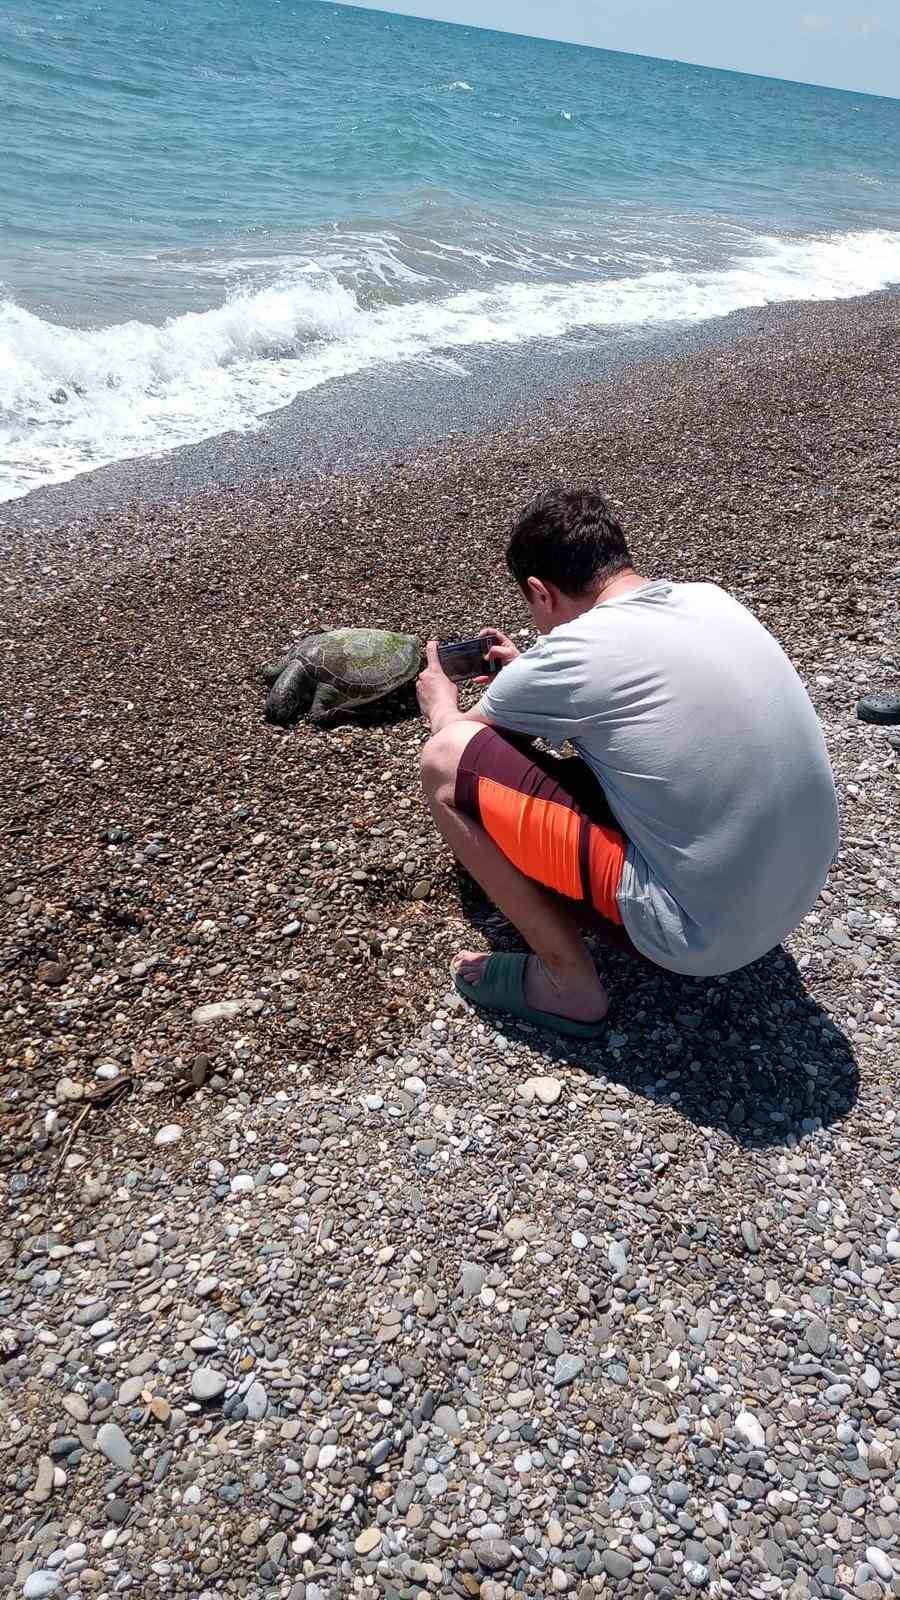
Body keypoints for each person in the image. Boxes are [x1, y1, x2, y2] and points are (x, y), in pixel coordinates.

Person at [417, 488, 839, 1038]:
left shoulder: (577, 651)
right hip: (795, 892)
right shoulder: (709, 599)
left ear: (539, 592)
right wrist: (529, 672)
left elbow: (463, 740)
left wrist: (439, 702)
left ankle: (568, 985)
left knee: (444, 760)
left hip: (697, 938)